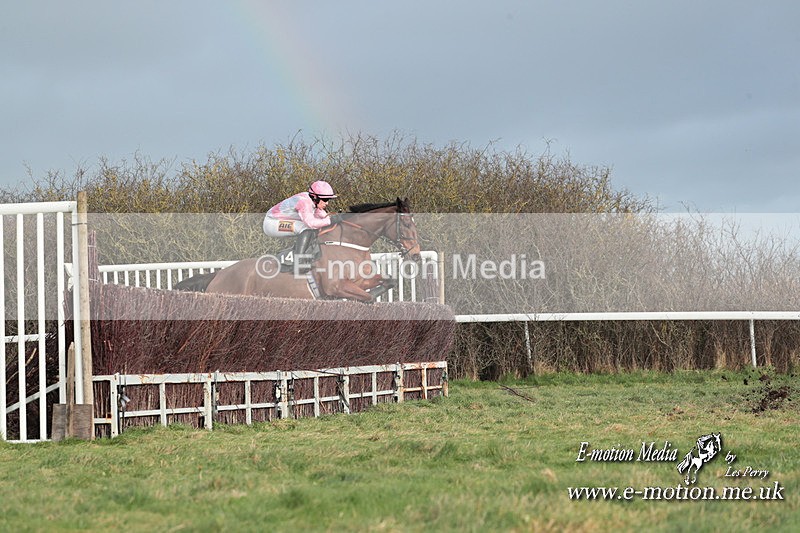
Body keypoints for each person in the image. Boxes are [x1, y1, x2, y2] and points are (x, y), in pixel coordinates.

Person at [263, 180, 338, 262]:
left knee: (313, 229)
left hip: (281, 220)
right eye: (325, 199)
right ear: (315, 197)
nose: (327, 203)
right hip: (271, 222)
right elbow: (311, 223)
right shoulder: (304, 202)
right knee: (305, 228)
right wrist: (329, 221)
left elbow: (323, 215)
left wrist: (333, 218)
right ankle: (299, 260)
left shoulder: (312, 200)